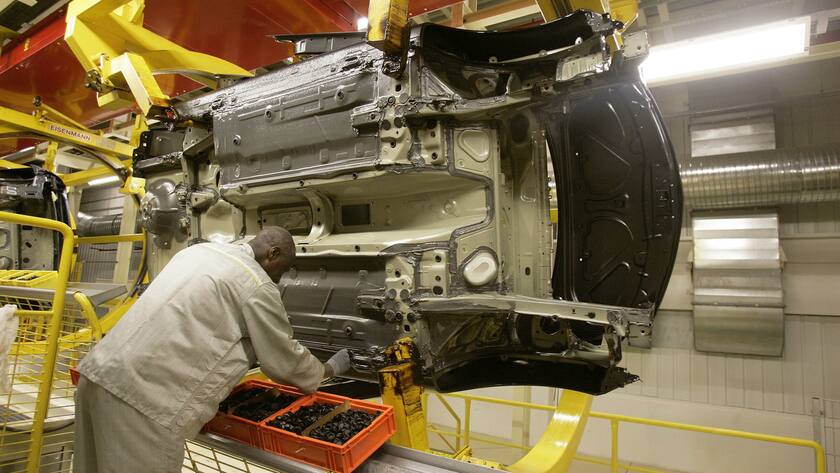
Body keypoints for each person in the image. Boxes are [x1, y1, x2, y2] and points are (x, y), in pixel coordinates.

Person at [73, 227, 351, 473]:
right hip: (146, 403)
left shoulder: (197, 253)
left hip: (97, 375)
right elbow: (284, 362)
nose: (280, 278)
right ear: (273, 253)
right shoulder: (256, 284)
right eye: (284, 268)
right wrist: (329, 369)